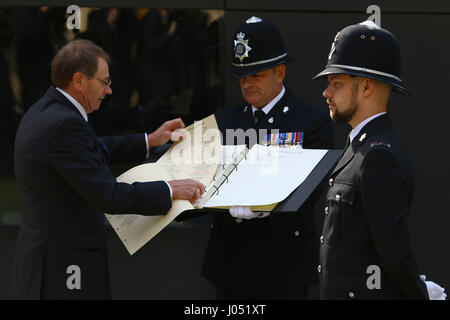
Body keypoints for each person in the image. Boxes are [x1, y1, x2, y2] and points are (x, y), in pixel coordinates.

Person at [12, 39, 205, 300]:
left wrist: (149, 140)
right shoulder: (64, 125)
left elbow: (92, 150)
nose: (109, 90)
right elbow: (109, 195)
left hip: (49, 259)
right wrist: (170, 189)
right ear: (79, 80)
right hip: (64, 267)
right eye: (104, 82)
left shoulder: (48, 109)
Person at [201, 16, 334, 299]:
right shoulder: (223, 122)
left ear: (280, 72)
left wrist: (268, 205)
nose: (247, 84)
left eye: (256, 76)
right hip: (231, 263)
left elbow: (310, 190)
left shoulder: (311, 122)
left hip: (283, 264)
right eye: (242, 77)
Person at [313, 21, 446, 300]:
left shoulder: (377, 155)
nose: (326, 93)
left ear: (366, 87)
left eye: (336, 84)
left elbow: (393, 252)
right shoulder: (359, 147)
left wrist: (418, 293)